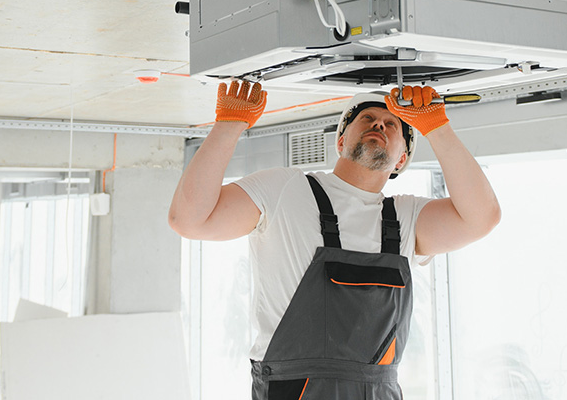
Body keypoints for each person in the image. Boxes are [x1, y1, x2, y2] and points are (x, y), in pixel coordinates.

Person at [168, 80, 501, 400]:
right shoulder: (284, 189)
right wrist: (229, 125)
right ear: (340, 142)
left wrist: (437, 127)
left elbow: (481, 217)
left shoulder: (406, 218)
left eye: (392, 124)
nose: (379, 125)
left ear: (402, 159)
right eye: (367, 118)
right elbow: (190, 220)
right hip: (296, 389)